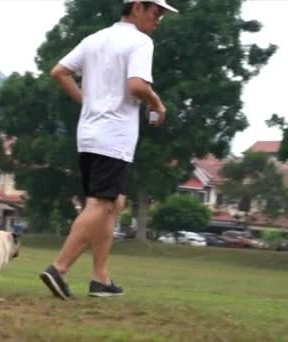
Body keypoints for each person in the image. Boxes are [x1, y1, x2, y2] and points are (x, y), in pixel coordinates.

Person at [40, 0, 178, 299]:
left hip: (88, 134)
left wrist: (86, 102)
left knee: (113, 203)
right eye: (156, 13)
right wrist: (158, 104)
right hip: (114, 137)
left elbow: (59, 72)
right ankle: (59, 269)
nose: (158, 21)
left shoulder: (95, 39)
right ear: (137, 7)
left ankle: (100, 278)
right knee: (100, 205)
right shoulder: (141, 42)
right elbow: (138, 87)